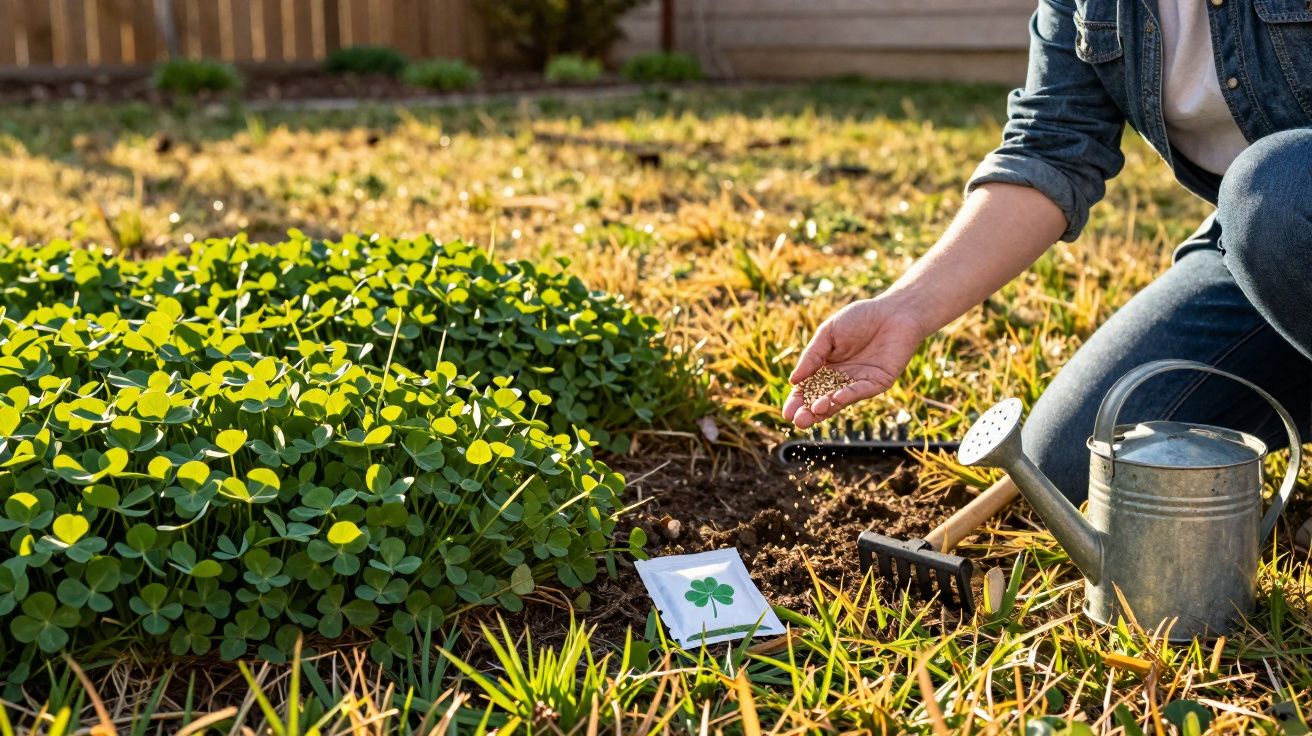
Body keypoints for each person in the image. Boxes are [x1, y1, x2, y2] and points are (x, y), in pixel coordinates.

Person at [783, 0, 1312, 502]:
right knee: (1074, 458)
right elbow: (1054, 146)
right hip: (1265, 245)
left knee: (1275, 198)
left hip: (1279, 214)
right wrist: (905, 309)